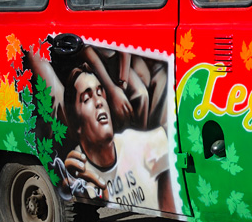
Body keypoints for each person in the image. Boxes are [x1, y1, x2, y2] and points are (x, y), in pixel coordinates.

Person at [62, 65, 174, 213]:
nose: (99, 102)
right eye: (87, 98)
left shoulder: (136, 143)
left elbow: (173, 142)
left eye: (100, 93)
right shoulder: (78, 172)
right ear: (76, 123)